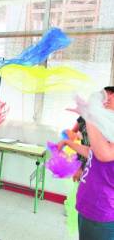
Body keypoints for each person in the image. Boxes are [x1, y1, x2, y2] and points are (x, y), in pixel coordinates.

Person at [58, 86, 114, 240]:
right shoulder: (108, 130)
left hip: (101, 213)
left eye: (110, 97)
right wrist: (69, 143)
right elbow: (93, 152)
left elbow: (103, 154)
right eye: (104, 98)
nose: (105, 100)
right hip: (87, 207)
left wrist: (89, 115)